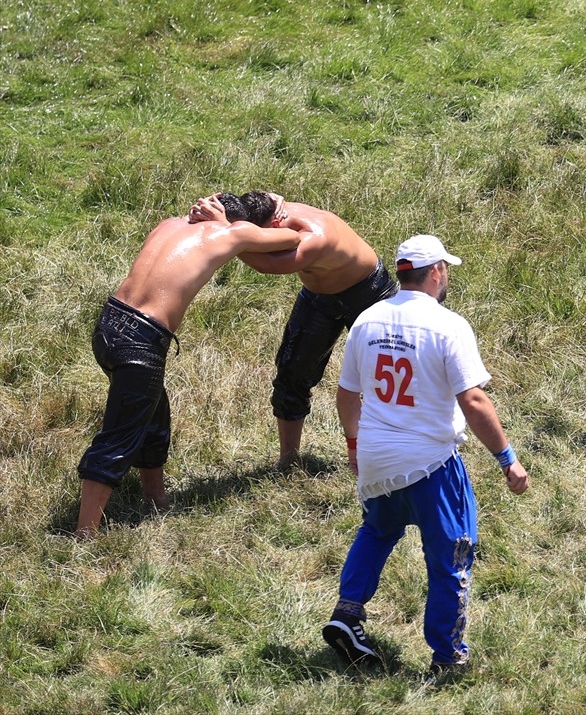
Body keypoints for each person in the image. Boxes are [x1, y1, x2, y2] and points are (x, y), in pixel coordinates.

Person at [322, 234, 529, 675]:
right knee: (451, 555)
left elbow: (346, 394)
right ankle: (448, 656)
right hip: (430, 461)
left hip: (377, 456)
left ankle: (348, 613)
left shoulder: (367, 320)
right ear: (436, 272)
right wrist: (507, 458)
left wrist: (355, 445)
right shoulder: (448, 325)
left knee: (377, 531)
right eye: (446, 269)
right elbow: (473, 401)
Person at [75, 195, 302, 537]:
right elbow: (292, 238)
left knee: (154, 415)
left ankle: (155, 499)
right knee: (120, 434)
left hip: (109, 326)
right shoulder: (230, 233)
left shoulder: (168, 225)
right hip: (141, 339)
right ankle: (84, 534)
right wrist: (231, 226)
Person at [189, 191, 398, 469]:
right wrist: (216, 216)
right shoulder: (268, 205)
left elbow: (269, 265)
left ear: (274, 225)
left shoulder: (314, 235)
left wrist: (230, 235)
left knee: (386, 377)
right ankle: (289, 459)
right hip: (318, 295)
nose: (259, 242)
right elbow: (257, 203)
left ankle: (383, 454)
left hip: (368, 293)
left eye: (258, 236)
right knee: (291, 374)